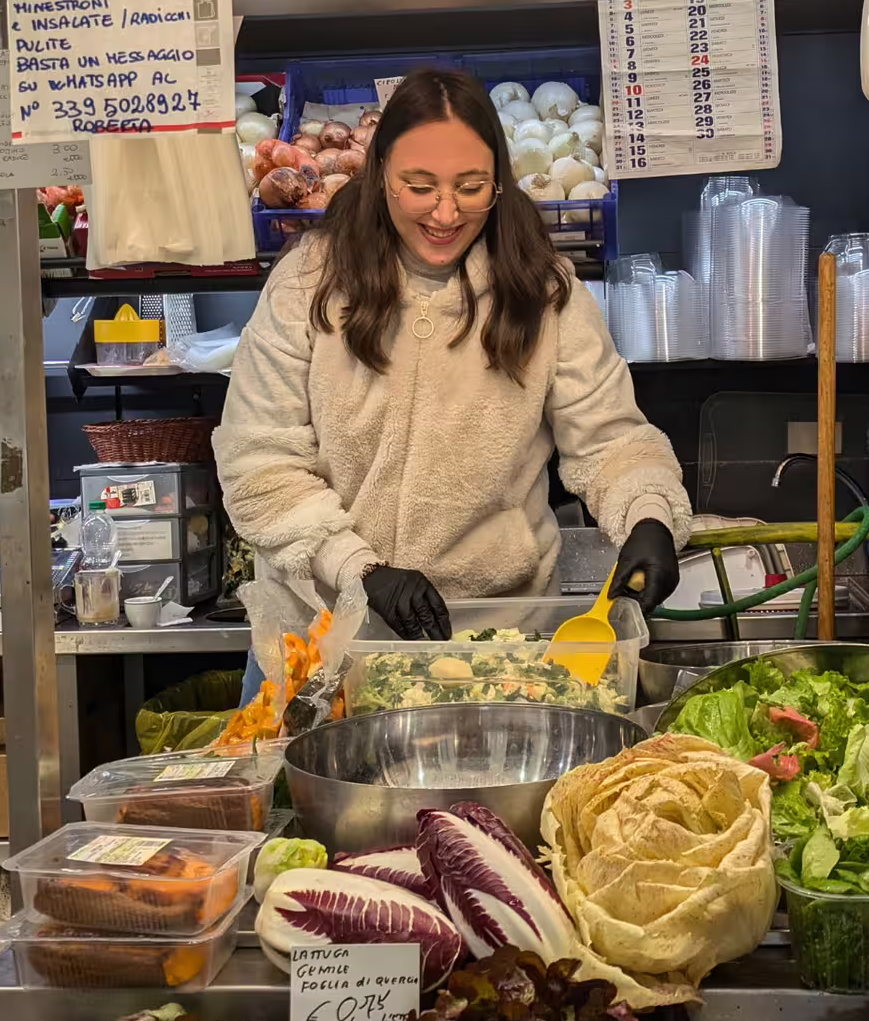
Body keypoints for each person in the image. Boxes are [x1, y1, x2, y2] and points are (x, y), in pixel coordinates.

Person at [214, 67, 689, 698]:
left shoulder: (543, 292)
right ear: (380, 173)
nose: (445, 212)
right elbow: (259, 465)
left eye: (471, 188)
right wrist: (360, 570)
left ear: (499, 180)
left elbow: (609, 442)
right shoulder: (310, 284)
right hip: (324, 652)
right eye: (419, 187)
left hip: (497, 656)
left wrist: (649, 514)